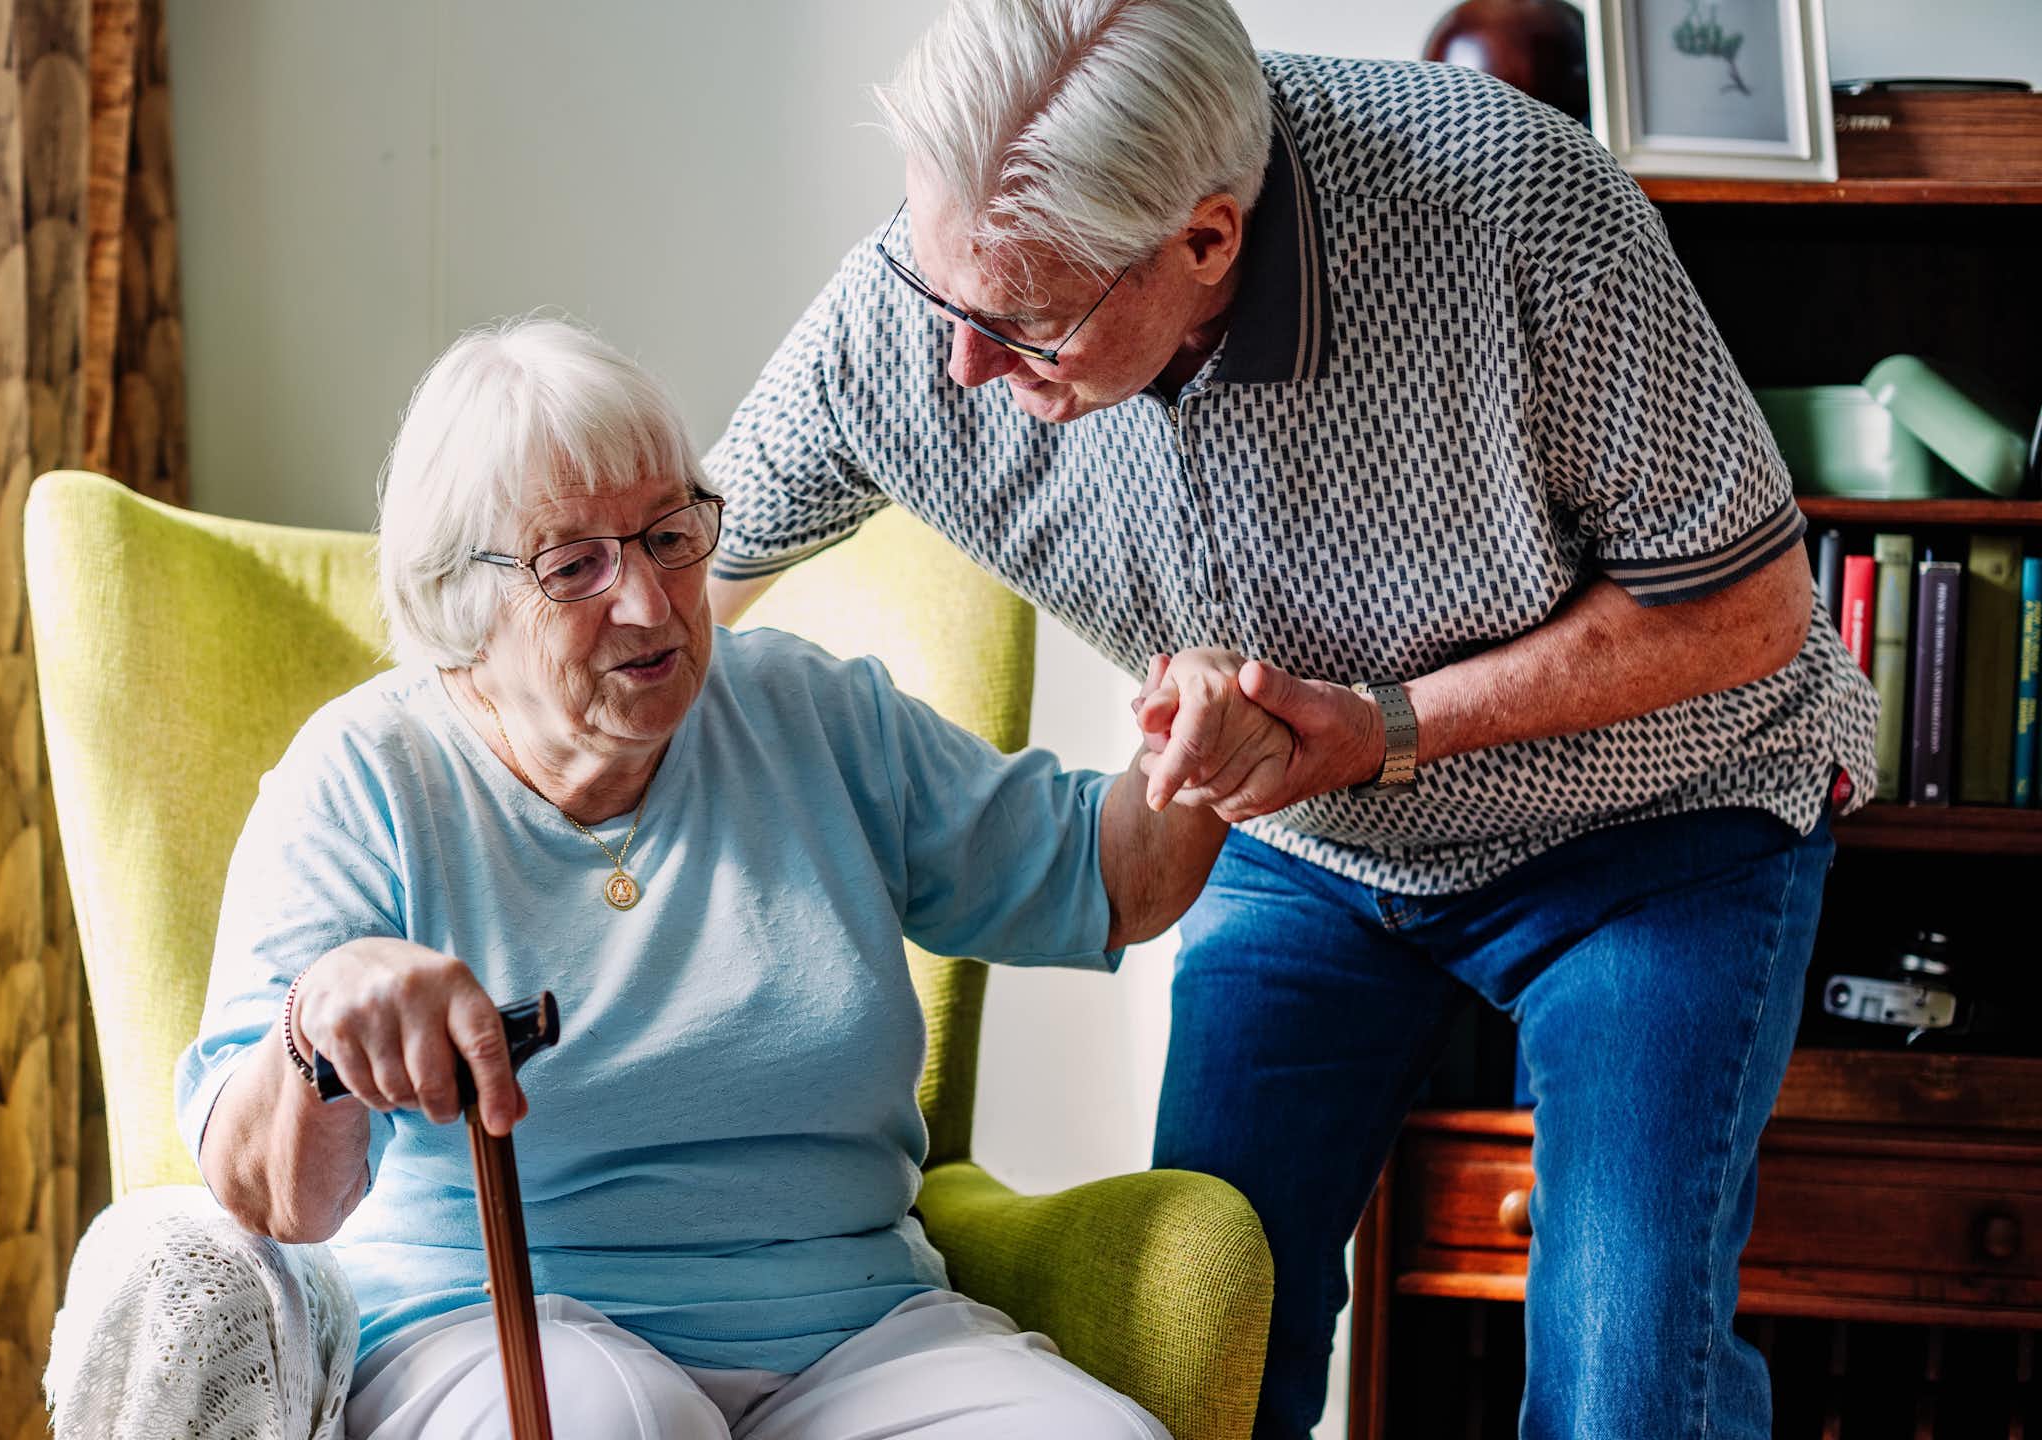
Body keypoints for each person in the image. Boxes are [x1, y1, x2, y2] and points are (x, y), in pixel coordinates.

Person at [700, 2, 1878, 1436]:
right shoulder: (934, 298)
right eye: (942, 291)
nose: (959, 370)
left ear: (1206, 239)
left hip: (1658, 824)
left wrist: (1383, 725)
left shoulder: (1516, 207)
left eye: (1026, 322)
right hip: (1314, 846)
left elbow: (1748, 607)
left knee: (1626, 1372)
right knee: (1209, 1334)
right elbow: (667, 574)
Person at [173, 317, 1222, 1440]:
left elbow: (1104, 877)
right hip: (496, 1330)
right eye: (573, 566)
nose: (651, 601)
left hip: (854, 1335)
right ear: (455, 607)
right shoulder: (364, 778)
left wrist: (1200, 747)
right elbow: (270, 1199)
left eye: (670, 534)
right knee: (617, 1422)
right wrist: (318, 1030)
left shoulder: (811, 717)